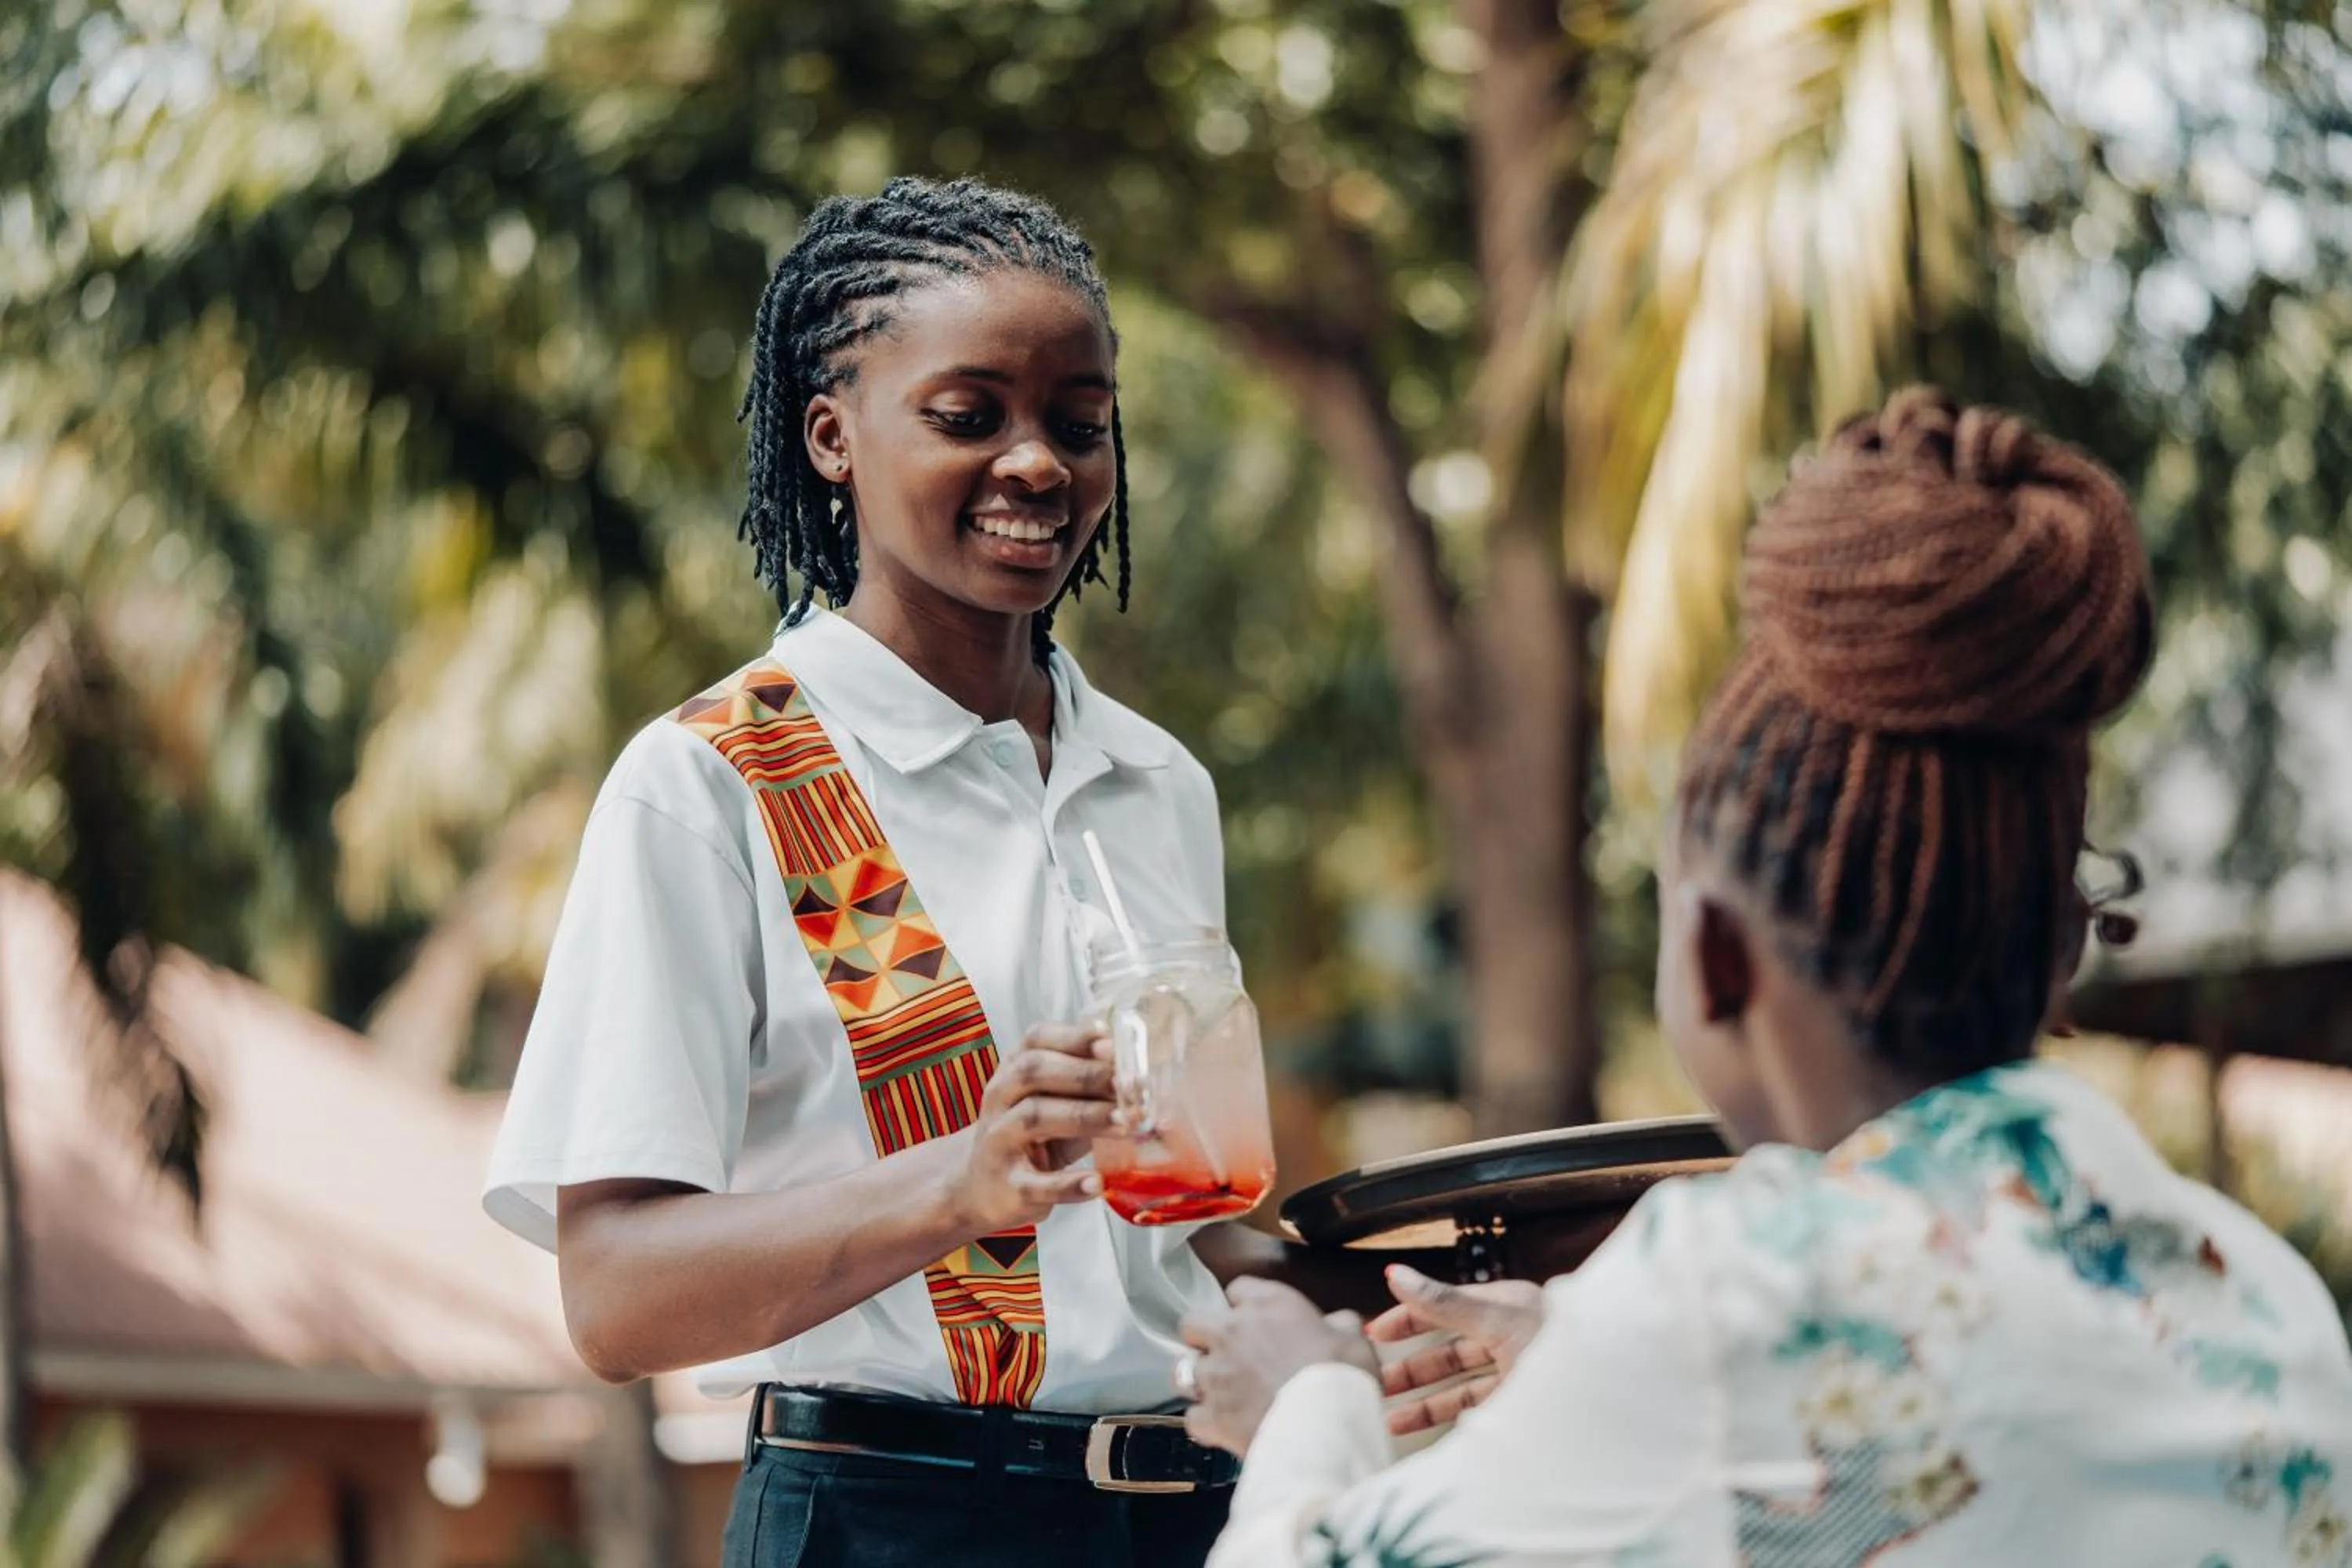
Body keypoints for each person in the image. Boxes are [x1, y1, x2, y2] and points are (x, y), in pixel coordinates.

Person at [1174, 389, 2352, 1566]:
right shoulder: (2262, 1296)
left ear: (1720, 957)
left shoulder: (1715, 1309)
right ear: (2061, 937)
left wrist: (1303, 1413)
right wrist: (1584, 1358)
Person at [485, 176, 1284, 1567]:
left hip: (1193, 1516)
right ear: (833, 437)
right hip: (889, 1520)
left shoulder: (1160, 785)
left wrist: (1438, 1270)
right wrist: (955, 1187)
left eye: (1080, 424)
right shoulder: (713, 783)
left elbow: (1166, 1239)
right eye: (970, 417)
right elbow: (614, 1300)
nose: (1040, 464)